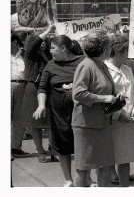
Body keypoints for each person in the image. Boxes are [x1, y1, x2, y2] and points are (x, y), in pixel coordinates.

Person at [71, 29, 123, 187]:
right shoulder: (86, 66)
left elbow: (108, 90)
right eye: (109, 45)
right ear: (104, 48)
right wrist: (104, 98)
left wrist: (117, 98)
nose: (111, 49)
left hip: (103, 123)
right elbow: (78, 93)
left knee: (105, 165)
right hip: (86, 125)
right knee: (83, 167)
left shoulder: (102, 65)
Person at [34, 35, 84, 186]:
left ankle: (84, 177)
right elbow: (42, 88)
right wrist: (41, 105)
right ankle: (68, 179)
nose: (50, 51)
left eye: (53, 48)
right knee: (62, 144)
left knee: (82, 142)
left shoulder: (83, 61)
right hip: (58, 109)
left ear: (63, 48)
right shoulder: (50, 65)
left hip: (80, 107)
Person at [105, 33, 134, 187]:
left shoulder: (128, 69)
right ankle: (111, 175)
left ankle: (125, 187)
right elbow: (105, 97)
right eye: (127, 51)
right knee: (108, 156)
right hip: (111, 120)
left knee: (126, 158)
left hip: (129, 119)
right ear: (118, 51)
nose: (129, 55)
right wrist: (118, 114)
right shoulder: (104, 69)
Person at [24, 25, 54, 163]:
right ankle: (40, 151)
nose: (42, 42)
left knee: (51, 122)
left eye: (45, 40)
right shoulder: (30, 55)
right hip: (33, 89)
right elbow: (35, 43)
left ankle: (54, 150)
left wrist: (45, 53)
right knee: (35, 123)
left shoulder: (50, 54)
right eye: (40, 40)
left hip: (48, 90)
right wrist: (47, 30)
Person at [11, 33, 29, 157]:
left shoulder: (26, 54)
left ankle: (15, 147)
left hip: (22, 85)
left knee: (19, 118)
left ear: (16, 42)